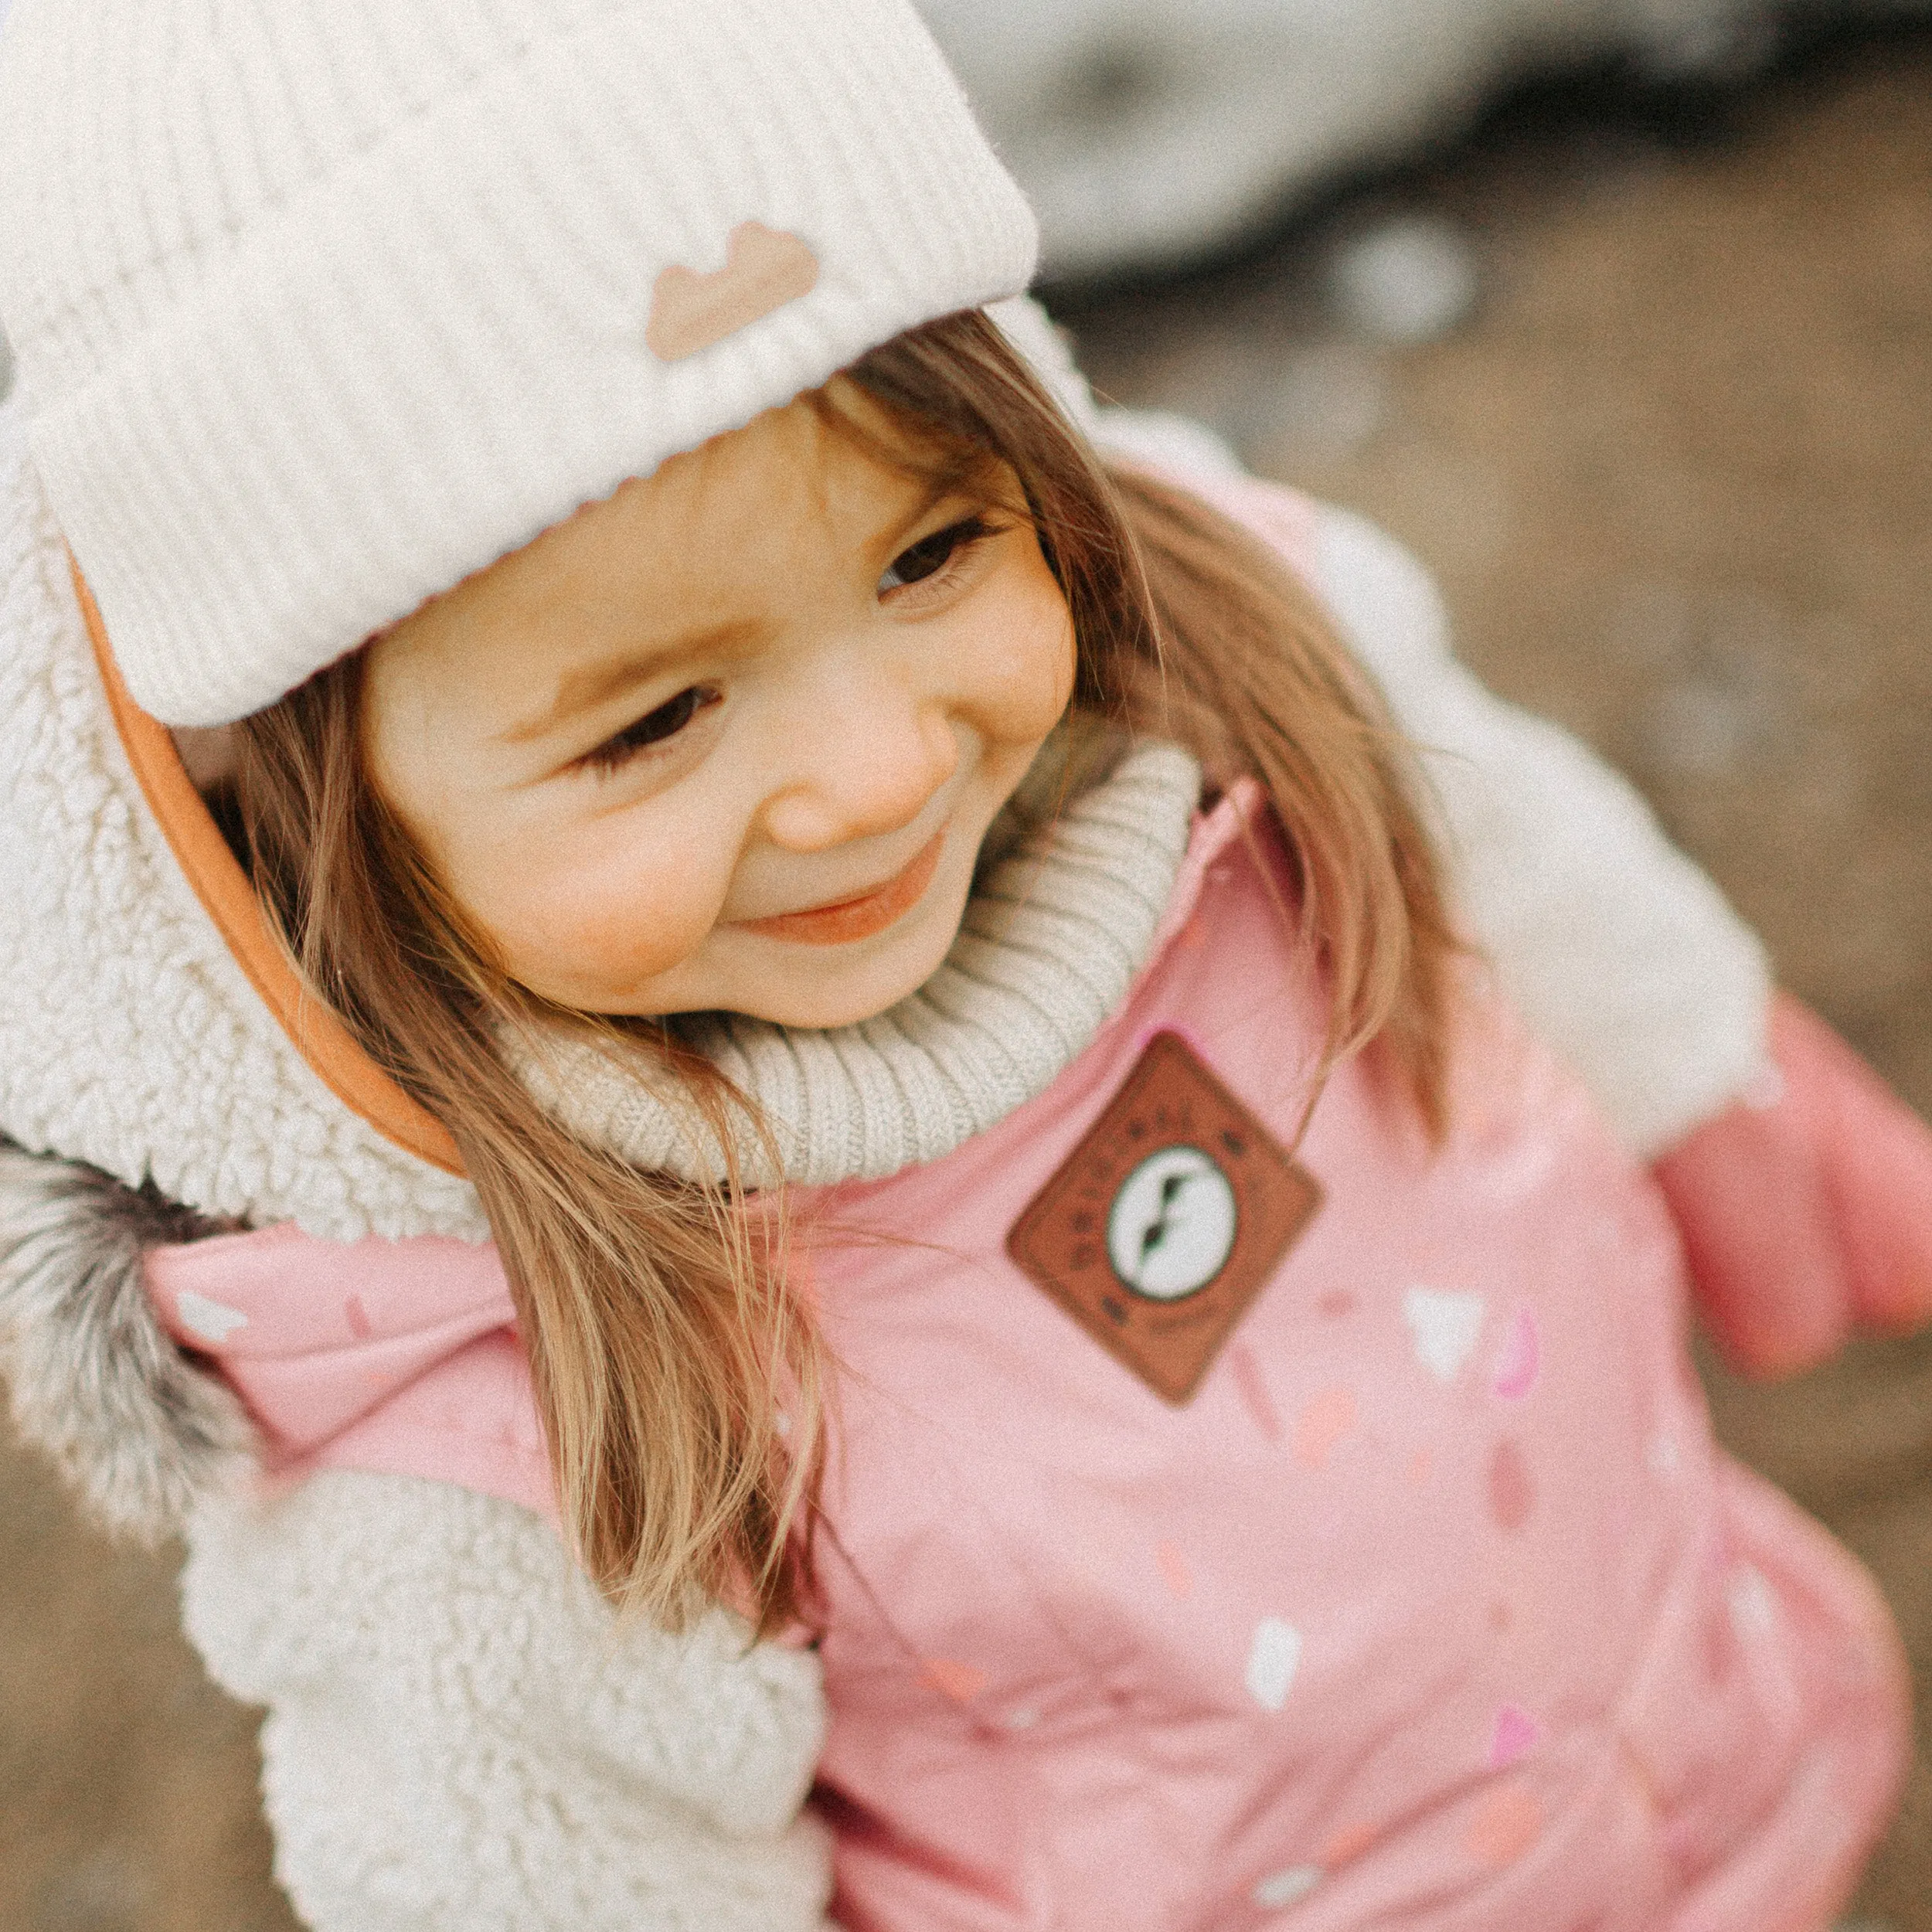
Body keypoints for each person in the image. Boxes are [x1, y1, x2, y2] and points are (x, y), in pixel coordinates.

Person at [0, 3, 1928, 1928]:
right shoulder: (500, 1446)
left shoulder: (1228, 681)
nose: (883, 770)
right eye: (655, 718)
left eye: (927, 558)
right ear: (300, 815)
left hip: (1701, 1740)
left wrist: (1689, 1048)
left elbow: (1498, 824)